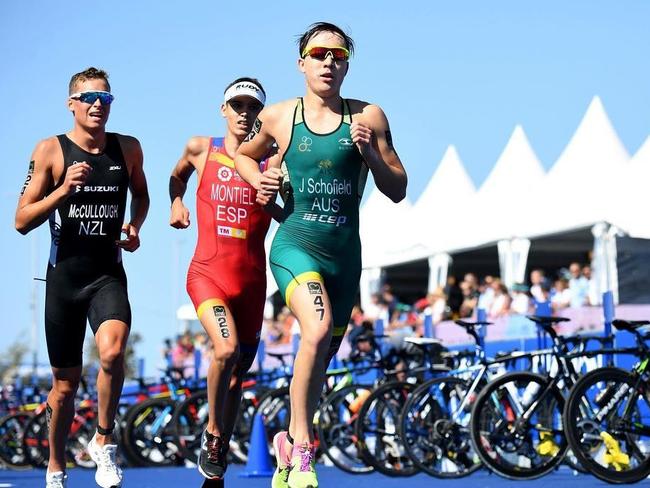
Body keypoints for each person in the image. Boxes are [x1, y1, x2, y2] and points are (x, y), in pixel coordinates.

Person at [234, 22, 407, 488]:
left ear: (347, 62)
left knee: (319, 360)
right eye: (319, 53)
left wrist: (370, 155)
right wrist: (259, 181)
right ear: (302, 63)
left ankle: (288, 442)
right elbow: (244, 157)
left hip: (344, 257)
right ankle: (306, 451)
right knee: (313, 329)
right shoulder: (279, 117)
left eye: (338, 53)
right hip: (296, 245)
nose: (328, 61)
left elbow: (397, 189)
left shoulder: (368, 116)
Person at [14, 67, 149, 488]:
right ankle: (56, 466)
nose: (97, 105)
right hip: (64, 283)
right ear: (72, 104)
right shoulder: (51, 152)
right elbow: (21, 220)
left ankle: (104, 442)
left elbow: (141, 195)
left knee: (112, 353)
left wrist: (134, 226)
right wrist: (61, 192)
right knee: (65, 387)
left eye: (105, 99)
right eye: (89, 98)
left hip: (107, 275)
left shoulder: (127, 149)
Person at [169, 77, 278, 482]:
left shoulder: (272, 159)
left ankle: (214, 470)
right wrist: (177, 201)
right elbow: (176, 176)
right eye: (237, 105)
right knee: (226, 349)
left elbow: (288, 210)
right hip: (207, 275)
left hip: (251, 283)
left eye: (252, 107)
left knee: (235, 377)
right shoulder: (202, 148)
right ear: (224, 109)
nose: (244, 113)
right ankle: (214, 436)